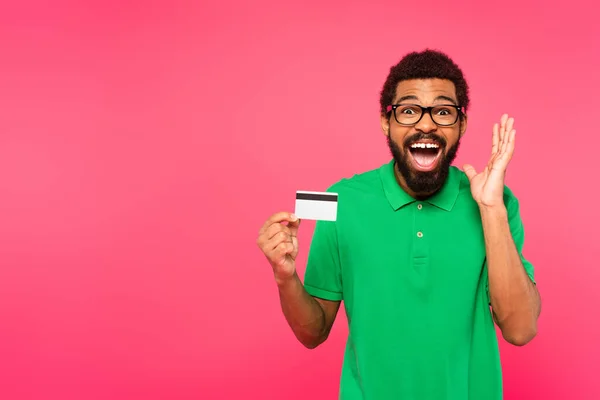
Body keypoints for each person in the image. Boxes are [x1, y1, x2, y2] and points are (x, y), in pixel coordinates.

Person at [256, 49, 541, 400]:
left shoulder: (496, 203)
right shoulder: (342, 202)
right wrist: (285, 277)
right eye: (408, 111)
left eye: (442, 111)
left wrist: (491, 208)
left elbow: (521, 329)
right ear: (385, 122)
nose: (425, 124)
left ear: (461, 124)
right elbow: (313, 332)